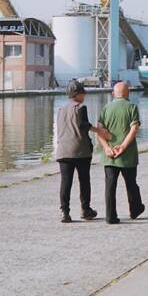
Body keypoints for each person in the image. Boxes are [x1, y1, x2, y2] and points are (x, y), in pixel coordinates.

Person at [55, 80, 112, 223]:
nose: (84, 96)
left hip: (63, 150)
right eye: (83, 93)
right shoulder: (81, 107)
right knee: (84, 181)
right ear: (78, 95)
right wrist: (99, 130)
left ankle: (64, 211)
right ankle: (86, 210)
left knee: (65, 182)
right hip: (80, 151)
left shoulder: (60, 110)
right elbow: (83, 124)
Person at [97, 82, 146, 224]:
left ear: (113, 93)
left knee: (110, 186)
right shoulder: (132, 107)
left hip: (110, 156)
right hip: (128, 155)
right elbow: (134, 129)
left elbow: (100, 130)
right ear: (128, 93)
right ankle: (135, 209)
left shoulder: (106, 108)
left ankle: (110, 216)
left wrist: (106, 147)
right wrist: (123, 147)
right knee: (131, 183)